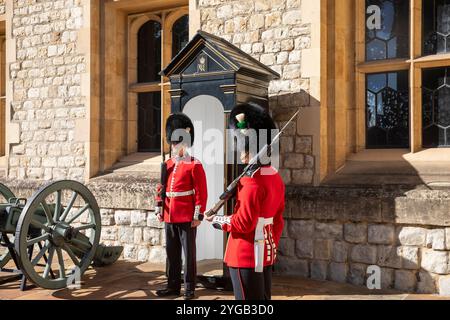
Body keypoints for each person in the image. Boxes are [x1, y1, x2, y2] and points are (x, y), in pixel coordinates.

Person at [206, 102, 285, 300]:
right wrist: (269, 248)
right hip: (265, 254)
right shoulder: (273, 176)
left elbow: (243, 222)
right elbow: (278, 220)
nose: (241, 155)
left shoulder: (252, 182)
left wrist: (217, 220)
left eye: (243, 149)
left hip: (244, 253)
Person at [154, 113, 207, 300]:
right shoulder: (167, 164)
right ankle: (173, 286)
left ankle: (190, 289)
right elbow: (161, 189)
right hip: (169, 215)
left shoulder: (194, 165)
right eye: (173, 144)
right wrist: (159, 208)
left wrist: (197, 216)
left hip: (186, 216)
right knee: (172, 254)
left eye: (178, 143)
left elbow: (201, 193)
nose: (175, 147)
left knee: (189, 255)